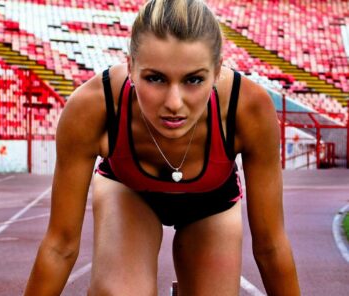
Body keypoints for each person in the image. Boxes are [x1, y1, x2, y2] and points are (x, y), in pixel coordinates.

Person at [24, 0, 300, 295]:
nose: (173, 103)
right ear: (130, 67)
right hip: (128, 190)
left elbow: (270, 247)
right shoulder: (94, 106)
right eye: (155, 78)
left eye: (194, 79)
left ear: (217, 70)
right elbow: (60, 247)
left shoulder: (248, 109)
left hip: (211, 202)